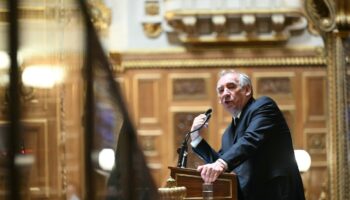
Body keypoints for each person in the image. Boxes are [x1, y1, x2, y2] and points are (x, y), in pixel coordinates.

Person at [190, 70, 305, 200]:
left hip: (278, 193)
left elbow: (251, 140)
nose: (225, 93)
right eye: (221, 90)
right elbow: (221, 162)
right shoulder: (228, 133)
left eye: (231, 87)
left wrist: (221, 164)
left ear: (247, 90)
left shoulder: (263, 106)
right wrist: (196, 138)